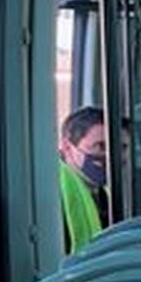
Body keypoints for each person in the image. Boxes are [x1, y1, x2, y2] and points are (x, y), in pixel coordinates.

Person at [58, 106, 110, 254]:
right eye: (100, 146)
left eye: (122, 147)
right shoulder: (55, 193)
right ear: (67, 147)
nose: (109, 156)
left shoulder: (102, 193)